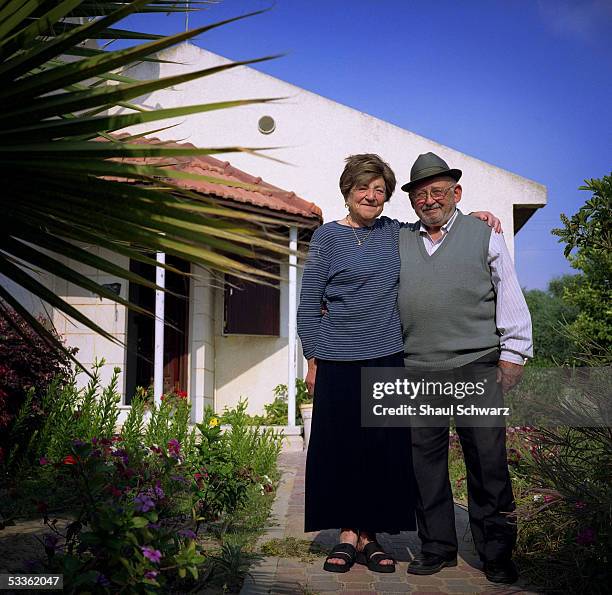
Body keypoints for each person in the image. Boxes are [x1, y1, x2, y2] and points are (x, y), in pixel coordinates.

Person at [297, 153, 501, 574]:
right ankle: (347, 534)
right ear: (347, 192)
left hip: (388, 357)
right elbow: (308, 302)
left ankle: (372, 537)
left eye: (380, 190)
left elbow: (438, 223)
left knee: (381, 452)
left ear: (388, 198)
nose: (371, 196)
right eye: (363, 188)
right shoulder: (326, 238)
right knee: (340, 450)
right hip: (337, 360)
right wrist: (313, 356)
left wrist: (475, 218)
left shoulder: (395, 233)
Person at [397, 152, 532, 584]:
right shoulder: (397, 238)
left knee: (488, 462)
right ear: (413, 201)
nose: (429, 199)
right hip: (417, 367)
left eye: (437, 191)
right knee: (425, 464)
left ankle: (496, 553)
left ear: (456, 193)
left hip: (476, 364)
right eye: (421, 193)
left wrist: (513, 354)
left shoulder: (483, 233)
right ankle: (437, 547)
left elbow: (508, 291)